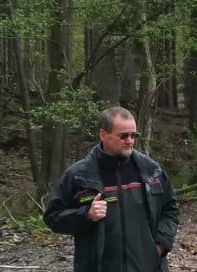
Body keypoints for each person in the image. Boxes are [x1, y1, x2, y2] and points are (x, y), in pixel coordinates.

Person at [44, 107, 179, 272]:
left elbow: (170, 209)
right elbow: (53, 217)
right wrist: (86, 215)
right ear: (103, 134)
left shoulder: (151, 171)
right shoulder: (79, 175)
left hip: (148, 266)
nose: (130, 141)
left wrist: (161, 245)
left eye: (133, 135)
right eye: (123, 136)